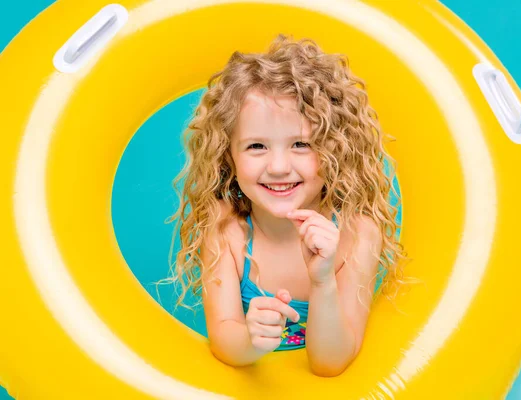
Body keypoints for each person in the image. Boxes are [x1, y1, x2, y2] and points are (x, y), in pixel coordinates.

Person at [165, 34, 407, 377]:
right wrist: (251, 339)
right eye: (256, 147)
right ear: (228, 156)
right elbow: (224, 340)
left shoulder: (356, 234)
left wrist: (323, 281)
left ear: (333, 149)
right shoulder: (226, 230)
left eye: (300, 144)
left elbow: (331, 362)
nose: (278, 166)